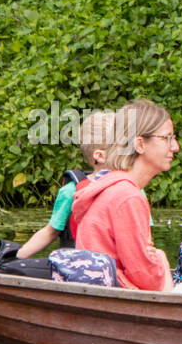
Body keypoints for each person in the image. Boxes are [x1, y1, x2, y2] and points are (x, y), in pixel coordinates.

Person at [70, 99, 178, 292]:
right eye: (166, 138)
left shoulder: (113, 186)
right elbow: (149, 281)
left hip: (100, 291)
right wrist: (161, 257)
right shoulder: (127, 196)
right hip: (114, 296)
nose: (175, 147)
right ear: (140, 144)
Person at [17, 111, 116, 258]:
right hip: (77, 266)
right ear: (100, 156)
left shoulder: (134, 190)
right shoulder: (70, 191)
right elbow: (50, 232)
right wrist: (15, 257)